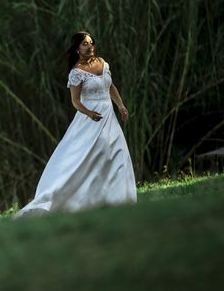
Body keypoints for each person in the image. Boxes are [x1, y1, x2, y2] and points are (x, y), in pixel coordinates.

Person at [14, 31, 137, 217]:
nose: (90, 47)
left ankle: (120, 197)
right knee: (87, 154)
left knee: (117, 150)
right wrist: (89, 113)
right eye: (85, 44)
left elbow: (110, 86)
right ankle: (66, 194)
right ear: (77, 49)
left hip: (109, 115)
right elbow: (75, 101)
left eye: (91, 43)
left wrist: (120, 105)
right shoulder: (76, 72)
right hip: (89, 118)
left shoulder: (103, 63)